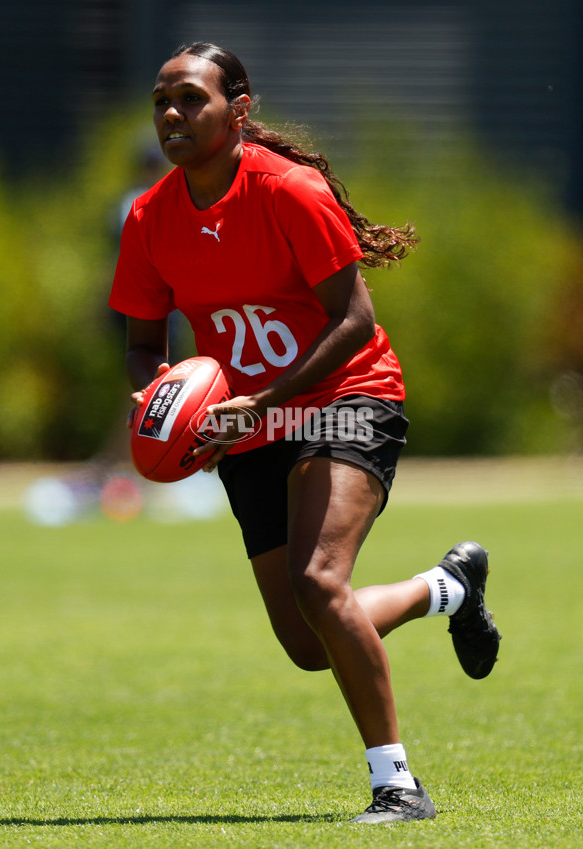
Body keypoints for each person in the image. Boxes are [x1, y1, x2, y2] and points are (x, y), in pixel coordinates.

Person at [109, 41, 501, 824]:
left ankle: (398, 785)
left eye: (191, 98)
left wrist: (260, 400)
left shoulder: (289, 190)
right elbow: (145, 340)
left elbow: (355, 320)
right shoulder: (152, 216)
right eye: (162, 101)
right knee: (309, 641)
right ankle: (447, 588)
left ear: (239, 110)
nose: (172, 115)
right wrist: (157, 396)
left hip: (345, 395)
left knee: (321, 582)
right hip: (249, 423)